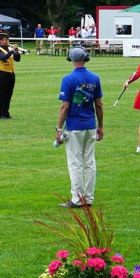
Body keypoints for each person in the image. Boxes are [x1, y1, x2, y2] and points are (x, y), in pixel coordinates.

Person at [55, 47, 104, 208]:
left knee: (75, 163)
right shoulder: (94, 78)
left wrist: (59, 128)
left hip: (74, 127)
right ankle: (88, 198)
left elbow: (65, 107)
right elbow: (99, 105)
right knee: (89, 162)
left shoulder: (68, 79)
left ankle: (77, 198)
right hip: (90, 125)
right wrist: (100, 126)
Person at [0, 33, 21, 119]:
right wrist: (12, 51)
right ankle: (0, 113)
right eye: (5, 40)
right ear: (0, 41)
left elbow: (17, 59)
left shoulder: (9, 49)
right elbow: (3, 58)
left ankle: (6, 112)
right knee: (2, 93)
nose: (7, 41)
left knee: (9, 94)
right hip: (3, 73)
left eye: (7, 40)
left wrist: (16, 51)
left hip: (11, 73)